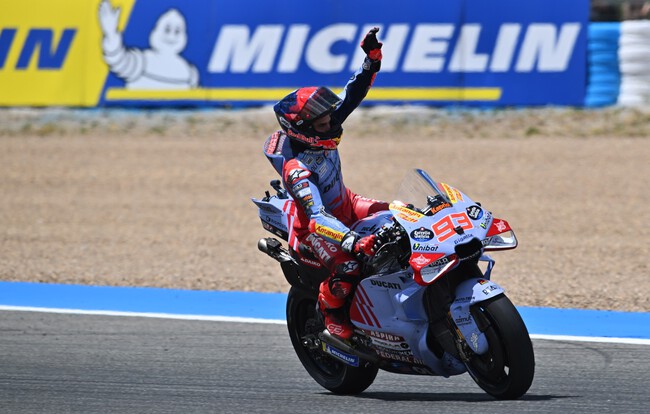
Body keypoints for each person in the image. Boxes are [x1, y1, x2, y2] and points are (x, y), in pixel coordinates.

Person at [263, 28, 389, 340]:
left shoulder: (322, 129)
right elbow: (318, 218)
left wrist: (371, 60)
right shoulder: (297, 170)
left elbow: (353, 94)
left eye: (331, 119)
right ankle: (330, 311)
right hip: (317, 231)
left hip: (348, 203)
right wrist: (351, 241)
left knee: (403, 214)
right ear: (304, 130)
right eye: (324, 123)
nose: (332, 124)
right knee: (350, 267)